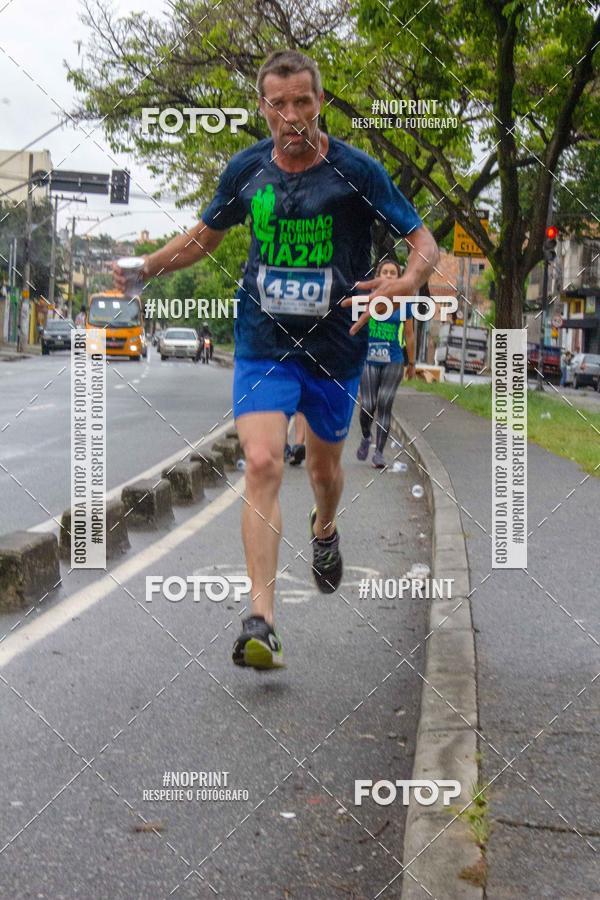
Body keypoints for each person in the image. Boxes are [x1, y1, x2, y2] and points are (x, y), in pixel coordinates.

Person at [113, 49, 438, 670]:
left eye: (303, 102)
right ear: (263, 108)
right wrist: (146, 267)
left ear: (320, 104)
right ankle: (260, 620)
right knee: (261, 460)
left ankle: (324, 530)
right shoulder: (246, 171)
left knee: (323, 471)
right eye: (278, 104)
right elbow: (204, 238)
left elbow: (420, 239)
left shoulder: (357, 173)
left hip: (335, 348)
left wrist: (407, 280)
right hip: (264, 340)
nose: (291, 115)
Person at [356, 259, 416, 468]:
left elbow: (409, 334)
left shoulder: (404, 301)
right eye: (385, 272)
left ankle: (379, 453)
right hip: (368, 359)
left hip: (393, 360)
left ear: (398, 278)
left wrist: (412, 363)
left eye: (393, 273)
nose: (389, 275)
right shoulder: (366, 299)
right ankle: (366, 436)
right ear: (378, 275)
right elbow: (355, 327)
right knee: (368, 405)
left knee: (384, 404)